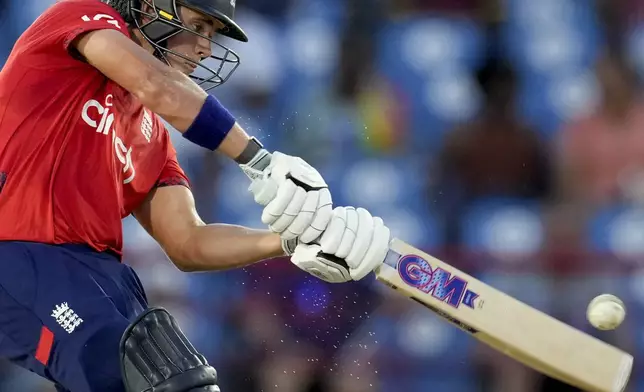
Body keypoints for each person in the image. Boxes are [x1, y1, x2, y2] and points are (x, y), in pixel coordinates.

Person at [0, 0, 392, 391]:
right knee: (152, 383)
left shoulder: (150, 135)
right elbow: (159, 86)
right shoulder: (80, 18)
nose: (206, 47)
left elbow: (188, 242)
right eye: (200, 26)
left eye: (212, 34)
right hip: (23, 253)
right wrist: (257, 159)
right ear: (152, 6)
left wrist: (290, 242)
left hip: (104, 277)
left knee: (187, 383)